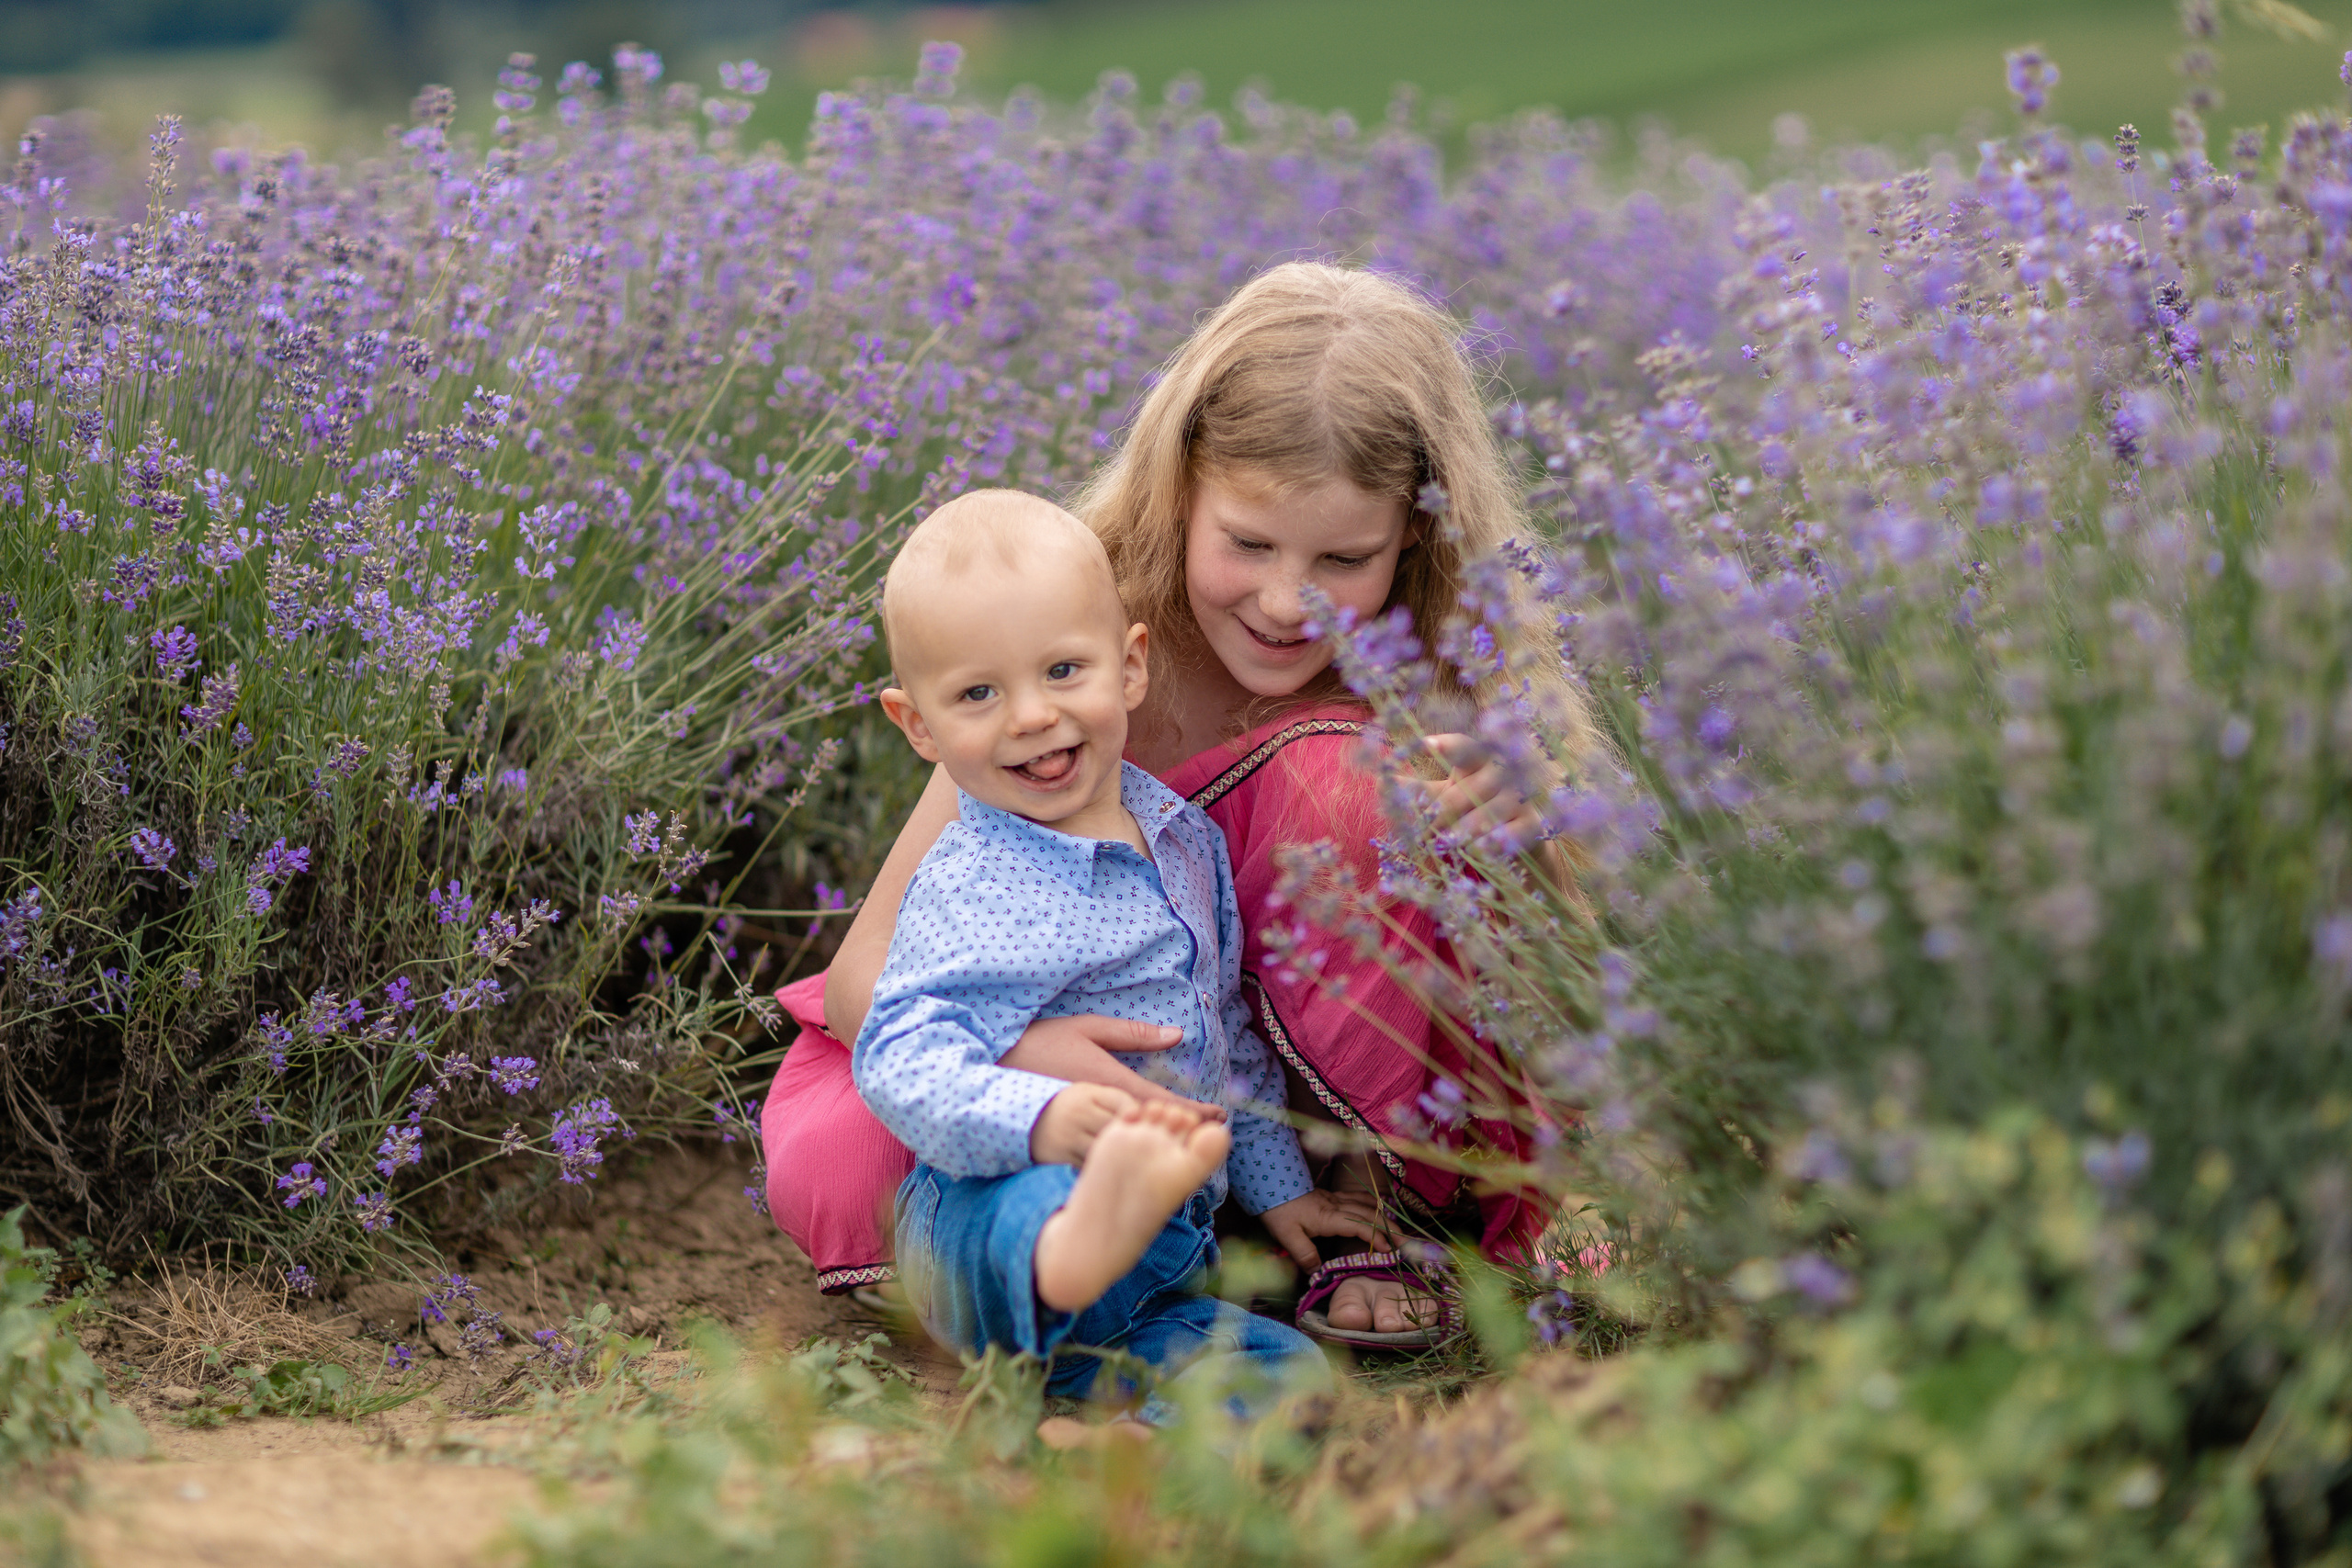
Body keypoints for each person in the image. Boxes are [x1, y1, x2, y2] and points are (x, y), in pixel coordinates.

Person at [762, 260, 1596, 1346]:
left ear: (1414, 539)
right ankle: (1154, 1248)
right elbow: (869, 974)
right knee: (845, 1159)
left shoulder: (1436, 672)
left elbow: (1543, 983)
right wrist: (1025, 1051)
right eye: (1246, 542)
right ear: (1182, 488)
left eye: (1346, 558)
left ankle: (1370, 1227)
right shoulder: (1072, 651)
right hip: (1068, 1055)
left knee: (1339, 785)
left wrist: (1529, 809)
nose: (1287, 600)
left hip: (1295, 1104)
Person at [854, 489, 1380, 1420]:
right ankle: (1070, 1242)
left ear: (1130, 666)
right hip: (992, 1222)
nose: (1030, 716)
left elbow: (1221, 1035)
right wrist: (1043, 1121)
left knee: (1286, 1374)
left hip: (1155, 1270)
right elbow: (899, 1051)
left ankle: (1117, 1442)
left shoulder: (1182, 842)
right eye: (978, 693)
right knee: (1036, 1202)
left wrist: (1279, 1189)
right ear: (918, 727)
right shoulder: (976, 877)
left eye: (1063, 670)